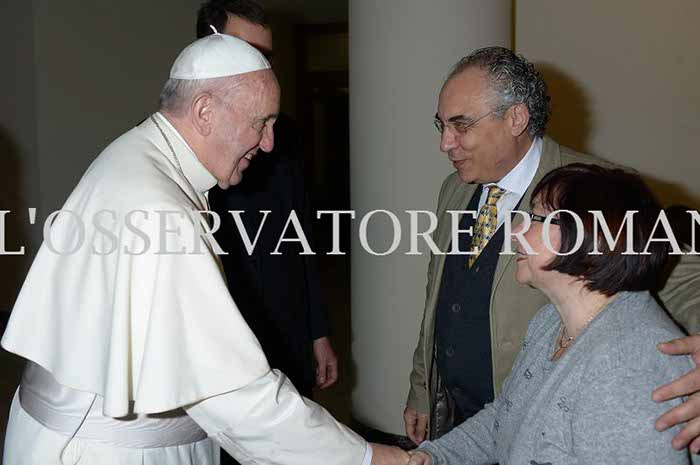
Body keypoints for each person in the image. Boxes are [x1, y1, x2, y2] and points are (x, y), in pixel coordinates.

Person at [1, 32, 407, 465]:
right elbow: (237, 396)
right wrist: (367, 457)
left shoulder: (136, 155)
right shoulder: (161, 210)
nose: (269, 143)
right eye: (261, 123)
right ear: (205, 111)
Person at [404, 46, 700, 449]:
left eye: (461, 125)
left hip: (542, 431)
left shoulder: (599, 189)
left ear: (516, 118)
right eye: (441, 125)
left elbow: (687, 280)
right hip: (465, 424)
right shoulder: (454, 189)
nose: (445, 143)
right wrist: (422, 387)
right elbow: (437, 297)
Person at [406, 164, 694, 464]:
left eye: (536, 217)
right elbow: (504, 418)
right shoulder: (550, 322)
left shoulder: (627, 364)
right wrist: (431, 456)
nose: (515, 230)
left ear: (594, 239)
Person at [196, 0, 339, 401]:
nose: (260, 66)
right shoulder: (174, 147)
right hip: (221, 347)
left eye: (265, 56)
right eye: (245, 51)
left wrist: (318, 332)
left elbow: (301, 235)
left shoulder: (285, 136)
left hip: (288, 337)